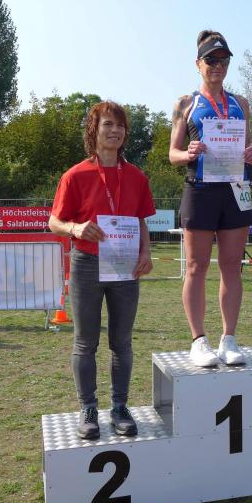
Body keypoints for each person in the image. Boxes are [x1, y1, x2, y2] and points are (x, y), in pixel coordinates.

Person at [48, 101, 155, 440]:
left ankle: (120, 407)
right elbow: (54, 222)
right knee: (85, 342)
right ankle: (89, 408)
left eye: (120, 125)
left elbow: (141, 220)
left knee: (121, 341)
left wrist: (146, 252)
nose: (115, 131)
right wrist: (76, 228)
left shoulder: (136, 176)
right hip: (87, 264)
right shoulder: (75, 175)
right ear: (94, 130)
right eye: (108, 124)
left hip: (124, 267)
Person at [169, 29, 252, 368]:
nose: (218, 66)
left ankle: (229, 339)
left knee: (232, 266)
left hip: (235, 189)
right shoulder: (185, 104)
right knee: (196, 266)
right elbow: (172, 154)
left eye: (223, 60)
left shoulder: (240, 104)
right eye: (211, 60)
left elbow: (246, 148)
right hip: (201, 189)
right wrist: (188, 153)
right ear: (198, 63)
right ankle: (198, 340)